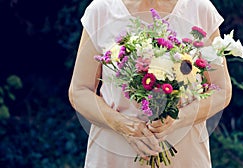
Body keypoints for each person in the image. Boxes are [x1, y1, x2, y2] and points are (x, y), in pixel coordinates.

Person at [68, 0, 232, 167]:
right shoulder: (101, 10)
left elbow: (222, 90)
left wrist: (177, 119)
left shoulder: (199, 9)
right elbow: (79, 91)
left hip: (184, 155)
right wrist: (125, 126)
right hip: (114, 155)